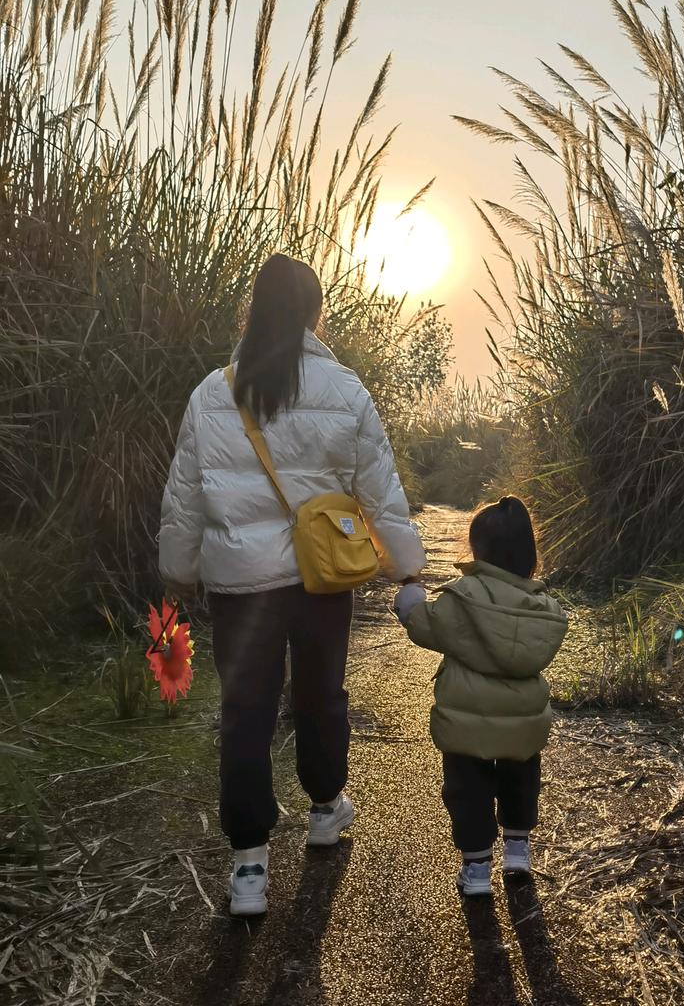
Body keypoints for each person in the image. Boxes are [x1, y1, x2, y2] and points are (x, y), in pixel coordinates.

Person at [159, 253, 425, 916]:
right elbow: (381, 492)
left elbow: (184, 497)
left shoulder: (212, 391)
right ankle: (326, 808)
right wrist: (408, 568)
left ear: (255, 311)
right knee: (319, 698)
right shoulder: (346, 391)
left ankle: (249, 868)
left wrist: (177, 571)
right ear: (314, 313)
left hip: (239, 585)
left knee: (245, 712)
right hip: (319, 580)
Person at [393, 497, 567, 897]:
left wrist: (409, 601)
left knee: (466, 791)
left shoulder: (463, 596)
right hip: (522, 720)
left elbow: (427, 626)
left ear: (478, 549)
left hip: (465, 721)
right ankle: (518, 850)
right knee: (521, 780)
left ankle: (475, 871)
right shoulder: (543, 608)